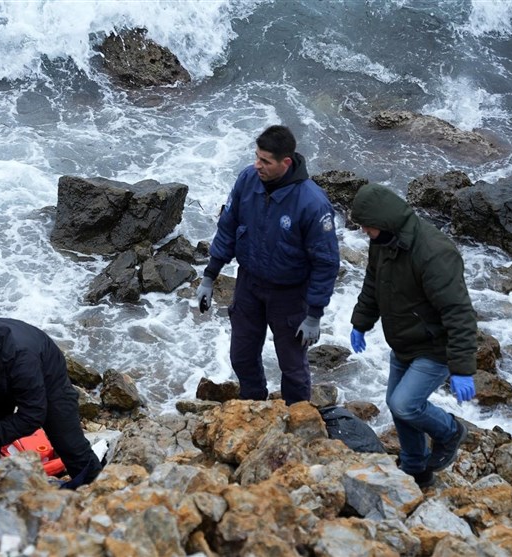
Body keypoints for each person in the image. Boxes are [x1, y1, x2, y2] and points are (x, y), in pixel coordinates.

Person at [197, 125, 340, 404]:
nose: (257, 165)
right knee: (242, 355)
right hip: (249, 284)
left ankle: (297, 415)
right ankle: (252, 406)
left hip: (289, 294)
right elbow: (228, 226)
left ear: (285, 162)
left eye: (265, 161)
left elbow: (326, 262)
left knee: (292, 367)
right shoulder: (247, 180)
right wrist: (209, 276)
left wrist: (314, 315)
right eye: (256, 157)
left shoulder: (312, 203)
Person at [349, 183, 476, 488]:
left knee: (404, 404)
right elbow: (373, 283)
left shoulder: (434, 253)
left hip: (434, 347)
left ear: (384, 220)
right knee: (397, 406)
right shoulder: (383, 242)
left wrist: (462, 368)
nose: (364, 231)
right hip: (404, 342)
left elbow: (459, 312)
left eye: (367, 225)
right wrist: (361, 322)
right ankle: (415, 469)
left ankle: (450, 432)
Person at [0, 317, 102, 488]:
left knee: (69, 444)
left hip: (48, 376)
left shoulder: (24, 362)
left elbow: (32, 416)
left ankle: (100, 491)